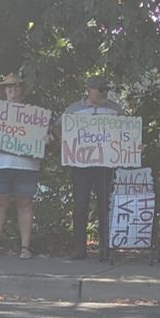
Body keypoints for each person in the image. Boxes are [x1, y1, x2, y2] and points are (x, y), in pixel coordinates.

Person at [60, 75, 124, 261]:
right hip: (80, 165)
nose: (104, 92)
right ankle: (79, 248)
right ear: (88, 89)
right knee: (80, 205)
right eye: (100, 89)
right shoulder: (74, 110)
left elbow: (127, 132)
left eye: (106, 89)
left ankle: (105, 248)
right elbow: (58, 127)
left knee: (105, 204)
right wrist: (66, 143)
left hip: (106, 165)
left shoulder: (115, 109)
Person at [0, 72, 39, 260]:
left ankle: (25, 247)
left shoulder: (34, 114)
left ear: (22, 90)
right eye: (9, 87)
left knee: (25, 204)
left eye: (16, 86)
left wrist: (45, 138)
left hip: (26, 164)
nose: (13, 90)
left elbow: (43, 136)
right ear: (4, 91)